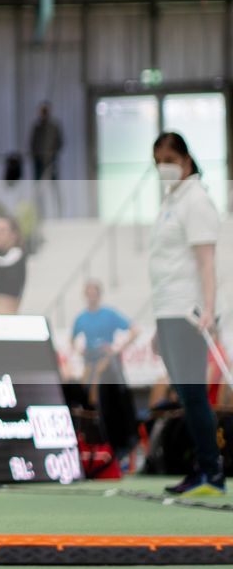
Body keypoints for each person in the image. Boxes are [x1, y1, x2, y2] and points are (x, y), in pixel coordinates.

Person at [146, 131, 223, 496]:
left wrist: (209, 308)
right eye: (158, 161)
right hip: (168, 310)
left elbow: (206, 262)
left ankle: (212, 472)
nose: (164, 168)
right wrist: (158, 325)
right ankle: (201, 469)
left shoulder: (196, 200)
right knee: (184, 396)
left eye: (169, 160)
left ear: (186, 161)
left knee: (194, 395)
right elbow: (164, 267)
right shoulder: (169, 202)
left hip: (189, 312)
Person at [71, 280, 139, 464]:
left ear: (99, 294)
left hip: (107, 364)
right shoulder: (81, 318)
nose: (91, 296)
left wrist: (116, 350)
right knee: (88, 399)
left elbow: (134, 330)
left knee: (112, 398)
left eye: (94, 292)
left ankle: (120, 446)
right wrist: (81, 351)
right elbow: (73, 341)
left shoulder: (109, 314)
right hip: (90, 363)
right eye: (88, 293)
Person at [30, 102, 64, 217]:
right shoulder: (37, 128)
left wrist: (51, 153)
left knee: (55, 189)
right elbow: (32, 145)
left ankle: (59, 215)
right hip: (39, 162)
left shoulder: (54, 127)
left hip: (51, 161)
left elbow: (60, 143)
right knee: (38, 191)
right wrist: (37, 156)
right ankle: (40, 215)